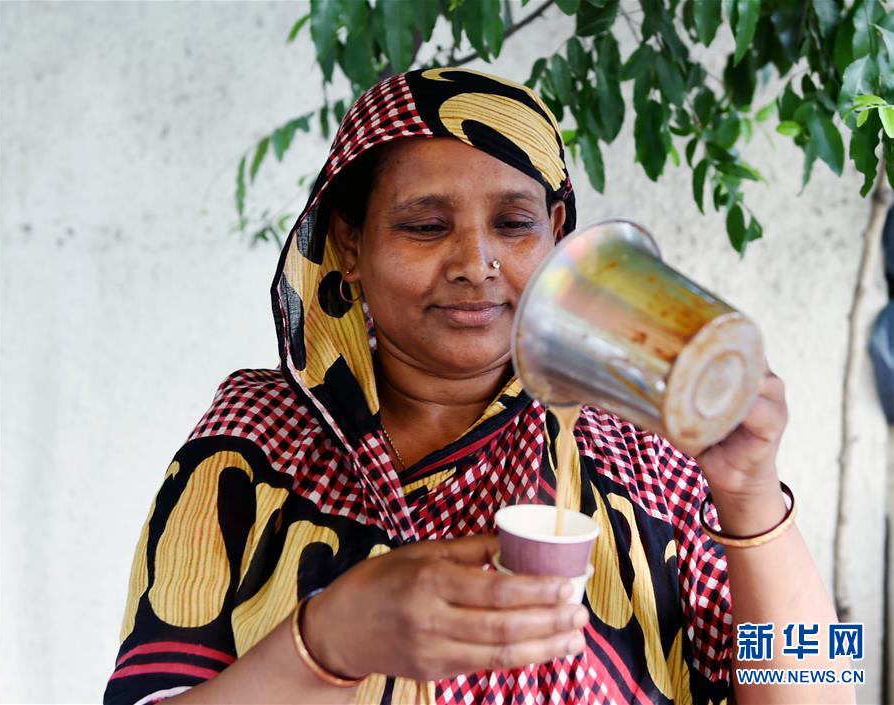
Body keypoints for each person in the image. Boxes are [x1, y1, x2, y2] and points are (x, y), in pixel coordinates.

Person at [104, 67, 852, 705]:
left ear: (557, 230)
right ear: (349, 244)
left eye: (515, 223)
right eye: (426, 226)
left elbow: (829, 682)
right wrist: (326, 639)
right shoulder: (256, 440)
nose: (475, 262)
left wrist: (753, 494)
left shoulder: (644, 435)